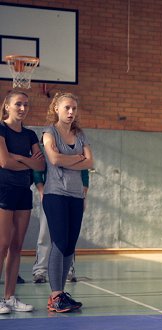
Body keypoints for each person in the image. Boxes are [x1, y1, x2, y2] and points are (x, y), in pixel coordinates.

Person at [42, 92, 94, 313]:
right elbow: (53, 159)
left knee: (69, 247)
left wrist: (69, 161)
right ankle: (54, 296)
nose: (71, 112)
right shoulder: (49, 132)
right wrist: (77, 159)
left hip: (75, 196)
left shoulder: (80, 134)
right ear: (56, 109)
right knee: (59, 242)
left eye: (74, 108)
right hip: (55, 195)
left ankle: (61, 293)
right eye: (67, 108)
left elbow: (90, 162)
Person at [0, 90, 45, 314]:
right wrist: (27, 161)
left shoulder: (30, 135)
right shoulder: (1, 129)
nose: (22, 108)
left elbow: (41, 165)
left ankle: (9, 297)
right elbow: (5, 162)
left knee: (17, 246)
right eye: (18, 104)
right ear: (7, 106)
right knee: (2, 244)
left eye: (26, 105)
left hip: (23, 192)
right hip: (4, 190)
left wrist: (20, 158)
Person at [32, 159, 88, 284]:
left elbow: (84, 171)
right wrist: (42, 191)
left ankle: (68, 269)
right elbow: (36, 172)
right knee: (44, 235)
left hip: (72, 198)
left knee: (69, 237)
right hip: (52, 196)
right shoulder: (46, 146)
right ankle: (40, 271)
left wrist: (83, 194)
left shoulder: (76, 146)